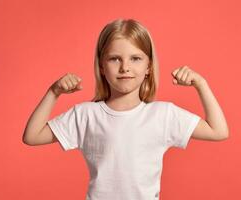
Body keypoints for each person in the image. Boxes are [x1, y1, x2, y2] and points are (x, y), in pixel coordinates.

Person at [22, 18, 229, 200]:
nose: (125, 67)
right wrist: (53, 92)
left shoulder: (163, 115)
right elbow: (32, 136)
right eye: (115, 59)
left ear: (149, 66)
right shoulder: (86, 115)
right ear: (102, 66)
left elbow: (218, 131)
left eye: (135, 58)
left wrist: (201, 83)